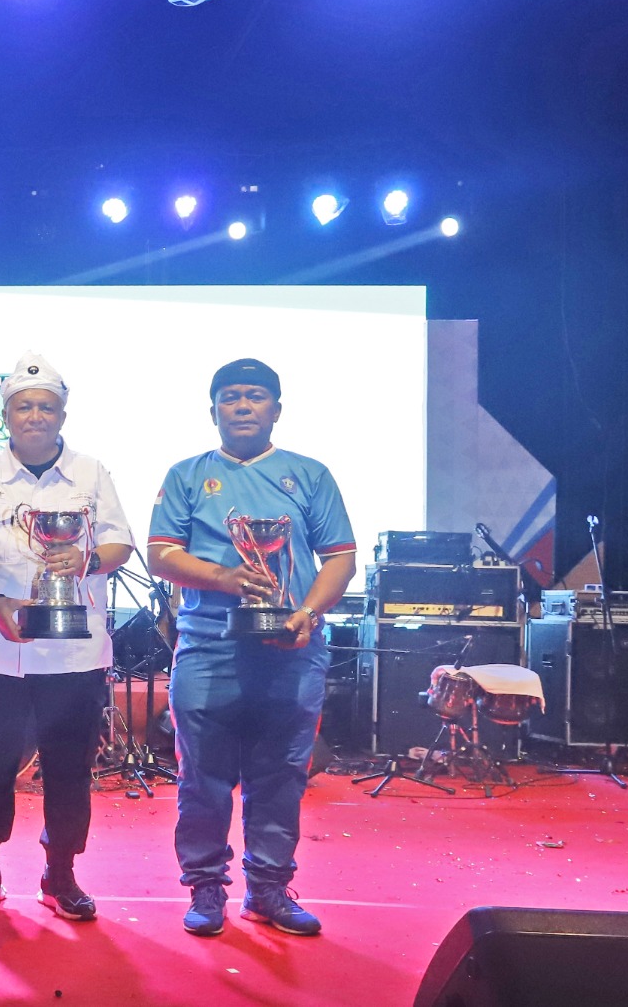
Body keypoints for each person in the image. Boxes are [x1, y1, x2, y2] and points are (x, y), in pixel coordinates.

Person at [146, 358, 357, 938]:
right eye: (231, 396)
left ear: (276, 410)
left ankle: (268, 888)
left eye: (256, 395)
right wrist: (225, 578)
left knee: (282, 772)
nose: (242, 405)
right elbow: (161, 555)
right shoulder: (187, 475)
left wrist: (307, 612)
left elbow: (340, 557)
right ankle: (206, 886)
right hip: (207, 645)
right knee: (202, 776)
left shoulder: (309, 474)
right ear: (213, 409)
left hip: (291, 645)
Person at [0, 353, 133, 923]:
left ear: (62, 415)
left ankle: (60, 874)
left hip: (74, 653)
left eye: (46, 407)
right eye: (23, 407)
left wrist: (86, 560)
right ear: (6, 415)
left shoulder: (91, 472)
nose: (35, 416)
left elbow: (120, 542)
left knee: (69, 770)